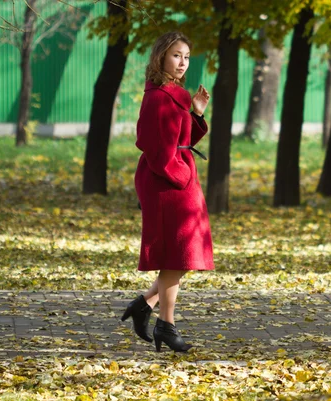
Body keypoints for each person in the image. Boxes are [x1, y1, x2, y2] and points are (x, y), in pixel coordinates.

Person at [121, 32, 214, 353]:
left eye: (186, 56)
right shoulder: (158, 96)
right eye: (176, 55)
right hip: (167, 183)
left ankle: (145, 307)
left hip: (180, 181)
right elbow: (154, 146)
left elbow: (183, 138)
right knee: (176, 255)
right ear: (161, 56)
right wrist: (180, 173)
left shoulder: (179, 94)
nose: (182, 62)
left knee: (186, 254)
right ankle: (166, 325)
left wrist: (197, 113)